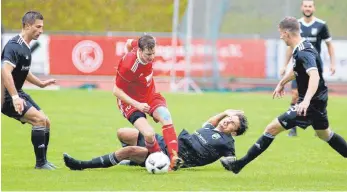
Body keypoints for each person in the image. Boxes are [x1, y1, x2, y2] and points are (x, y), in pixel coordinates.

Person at [222, 17, 347, 174]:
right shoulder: (303, 46)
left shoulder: (303, 52)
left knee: (271, 129)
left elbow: (314, 76)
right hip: (318, 101)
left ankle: (239, 165)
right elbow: (297, 71)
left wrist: (306, 101)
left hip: (310, 104)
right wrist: (282, 83)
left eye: (281, 33)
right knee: (325, 134)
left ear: (287, 33)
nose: (280, 37)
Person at [62, 109, 248, 170]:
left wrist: (232, 163)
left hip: (170, 157)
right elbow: (212, 120)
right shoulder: (210, 128)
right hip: (166, 142)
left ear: (234, 132)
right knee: (123, 133)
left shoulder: (227, 143)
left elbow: (230, 160)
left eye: (232, 124)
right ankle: (137, 162)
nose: (226, 123)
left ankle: (82, 165)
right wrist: (228, 111)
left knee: (129, 151)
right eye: (227, 120)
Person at [112, 34, 182, 170]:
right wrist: (137, 105)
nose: (151, 58)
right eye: (148, 54)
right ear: (139, 50)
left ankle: (174, 158)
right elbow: (116, 91)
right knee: (149, 134)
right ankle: (160, 158)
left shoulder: (138, 44)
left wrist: (127, 50)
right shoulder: (128, 66)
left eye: (153, 53)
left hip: (149, 95)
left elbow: (128, 42)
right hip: (130, 103)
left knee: (166, 117)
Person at [1, 11, 57, 170]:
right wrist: (14, 97)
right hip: (6, 96)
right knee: (39, 120)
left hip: (17, 92)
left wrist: (41, 84)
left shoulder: (25, 46)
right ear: (27, 25)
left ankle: (44, 161)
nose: (41, 30)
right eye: (38, 27)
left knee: (46, 122)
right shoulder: (14, 46)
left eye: (42, 27)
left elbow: (23, 70)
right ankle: (40, 164)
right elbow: (5, 71)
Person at [280, 0, 336, 137]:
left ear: (314, 8)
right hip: (299, 67)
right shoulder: (296, 25)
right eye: (305, 6)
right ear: (302, 7)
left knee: (317, 95)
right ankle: (293, 127)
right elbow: (290, 47)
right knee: (295, 95)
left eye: (310, 6)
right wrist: (285, 65)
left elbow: (329, 45)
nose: (307, 8)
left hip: (314, 67)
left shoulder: (321, 25)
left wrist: (332, 63)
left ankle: (319, 124)